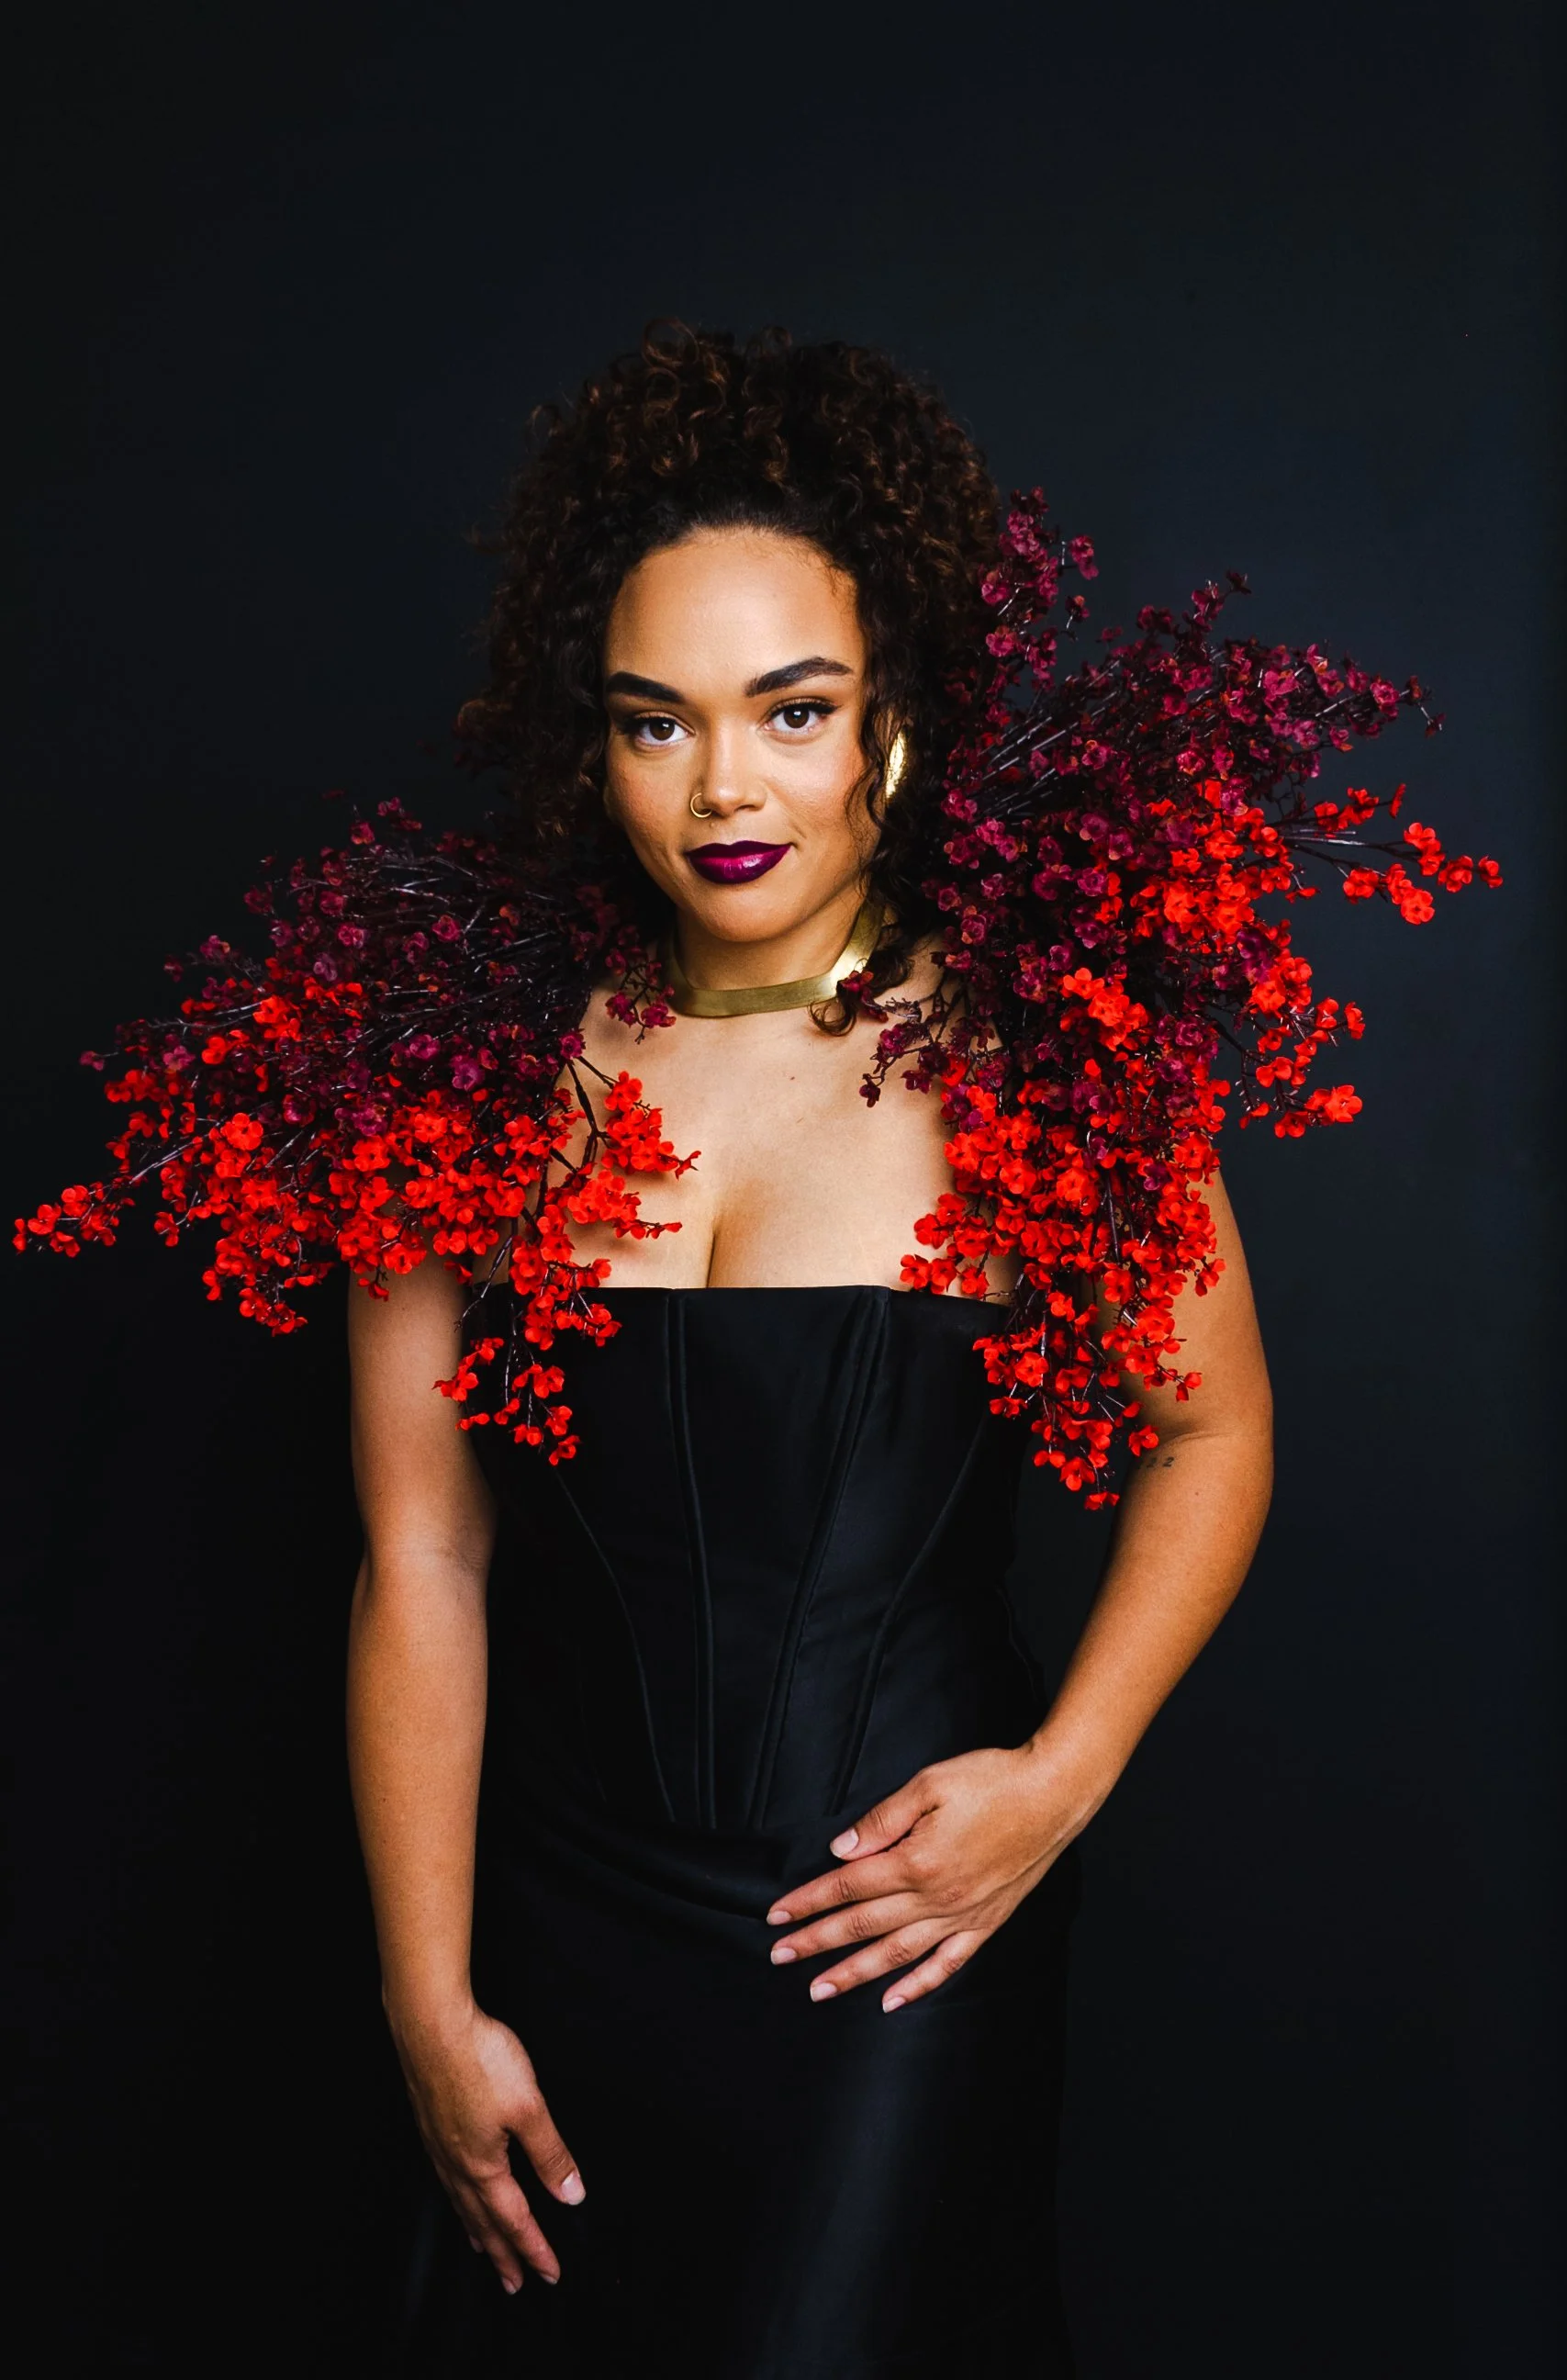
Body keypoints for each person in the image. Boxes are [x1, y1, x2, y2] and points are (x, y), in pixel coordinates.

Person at [23, 322, 1490, 2375]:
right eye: (659, 723)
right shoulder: (461, 1090)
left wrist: (1060, 1783)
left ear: (893, 719)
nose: (725, 787)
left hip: (896, 1931)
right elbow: (423, 1556)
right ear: (595, 742)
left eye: (792, 710)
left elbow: (1214, 1431)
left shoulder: (1039, 1057)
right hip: (550, 1915)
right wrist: (429, 2002)